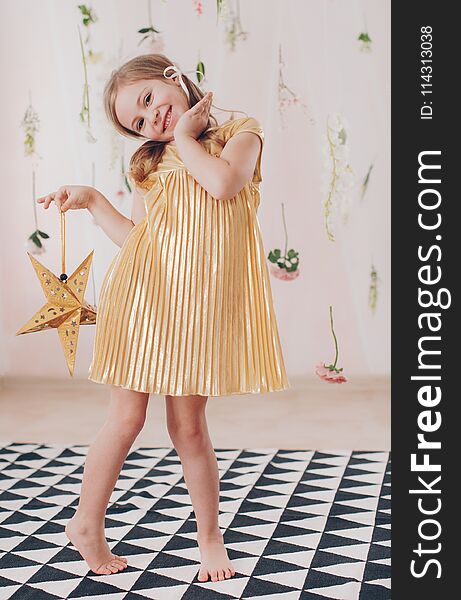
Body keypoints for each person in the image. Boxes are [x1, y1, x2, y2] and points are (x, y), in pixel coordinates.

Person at [37, 53, 290, 583]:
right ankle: (86, 523)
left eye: (150, 98)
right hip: (144, 297)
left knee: (188, 427)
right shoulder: (149, 163)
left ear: (173, 76)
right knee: (126, 418)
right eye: (137, 120)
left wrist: (187, 139)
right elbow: (139, 240)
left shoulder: (240, 134)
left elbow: (224, 186)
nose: (151, 119)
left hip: (197, 309)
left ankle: (209, 535)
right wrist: (93, 199)